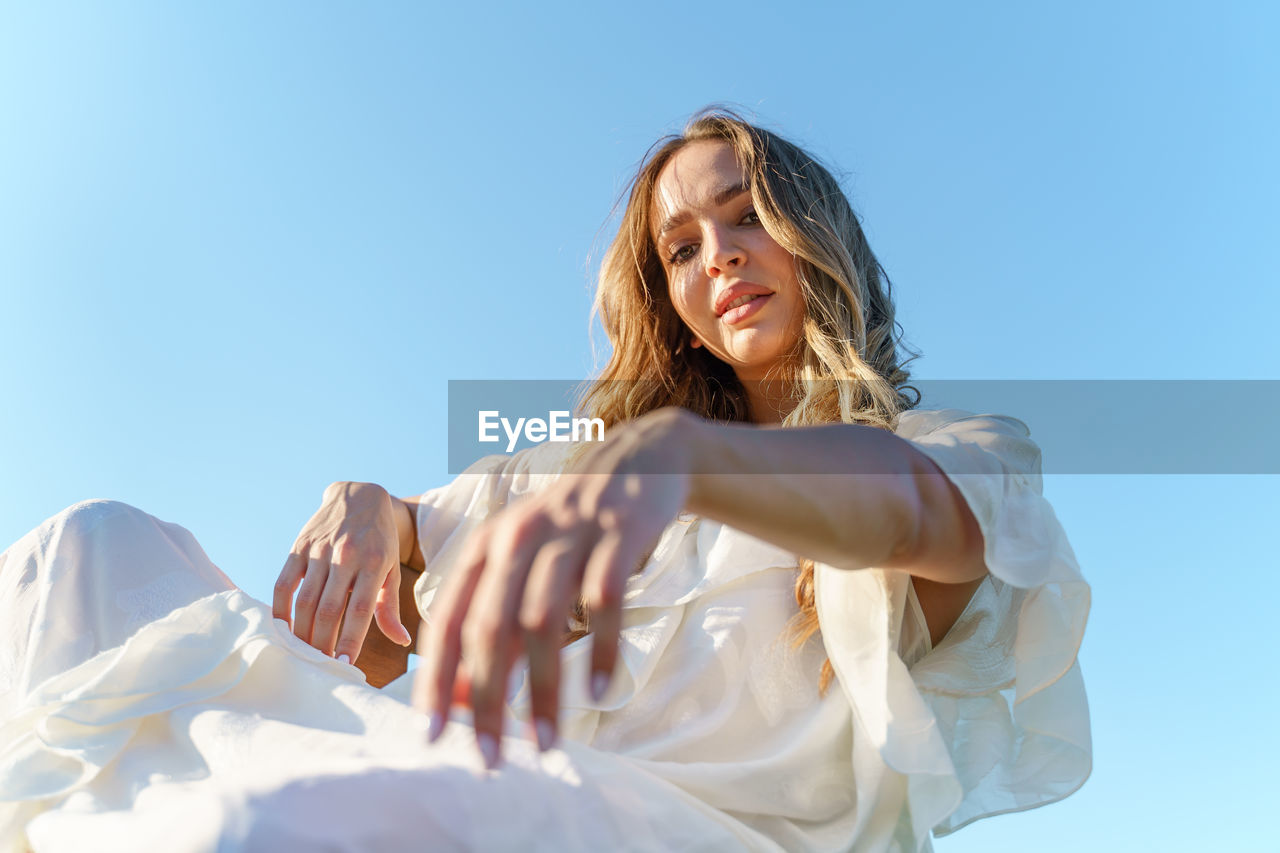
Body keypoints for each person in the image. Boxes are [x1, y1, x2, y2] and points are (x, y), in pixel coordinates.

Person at [0, 109, 1091, 852]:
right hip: (497, 780)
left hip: (690, 834)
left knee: (263, 820)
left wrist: (689, 463)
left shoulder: (951, 448)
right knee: (83, 549)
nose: (717, 255)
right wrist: (369, 507)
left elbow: (911, 506)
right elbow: (398, 600)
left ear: (813, 235)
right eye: (679, 247)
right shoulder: (582, 471)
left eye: (745, 212)